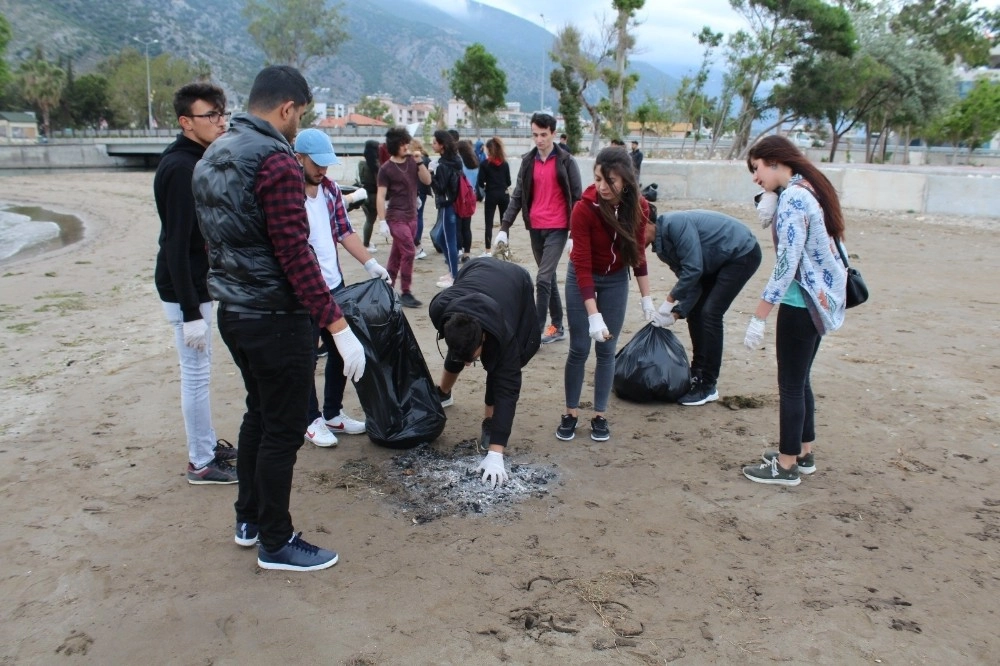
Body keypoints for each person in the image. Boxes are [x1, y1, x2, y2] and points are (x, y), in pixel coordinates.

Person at [193, 65, 366, 571]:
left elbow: (215, 240)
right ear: (287, 109)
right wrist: (337, 326)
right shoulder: (275, 160)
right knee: (285, 429)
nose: (297, 126)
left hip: (235, 314)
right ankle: (276, 540)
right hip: (275, 317)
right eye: (300, 116)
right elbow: (296, 254)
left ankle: (248, 518)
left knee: (259, 415)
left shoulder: (213, 154)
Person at [741, 135, 847, 487]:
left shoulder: (794, 198)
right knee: (800, 381)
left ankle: (785, 466)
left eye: (756, 169)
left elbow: (787, 264)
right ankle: (803, 452)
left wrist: (759, 315)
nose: (755, 178)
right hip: (817, 300)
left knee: (789, 384)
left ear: (774, 161)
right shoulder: (808, 188)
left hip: (799, 301)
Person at [154, 81, 237, 485]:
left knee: (201, 370)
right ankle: (201, 461)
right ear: (186, 122)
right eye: (211, 116)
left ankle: (206, 444)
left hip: (198, 283)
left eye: (222, 114)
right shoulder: (179, 168)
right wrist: (190, 312)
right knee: (196, 374)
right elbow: (174, 241)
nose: (220, 123)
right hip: (183, 288)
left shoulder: (198, 159)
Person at [292, 128, 389, 448]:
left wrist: (371, 263)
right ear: (299, 158)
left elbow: (344, 232)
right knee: (306, 355)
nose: (322, 170)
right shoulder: (289, 193)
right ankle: (310, 419)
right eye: (317, 164)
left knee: (339, 350)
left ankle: (333, 411)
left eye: (326, 164)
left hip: (334, 283)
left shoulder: (331, 190)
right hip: (304, 288)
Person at [558, 147, 654, 442]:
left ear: (625, 180)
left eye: (609, 180)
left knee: (606, 350)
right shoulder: (583, 209)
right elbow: (583, 266)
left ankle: (600, 414)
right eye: (598, 178)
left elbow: (637, 253)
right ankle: (571, 411)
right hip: (581, 279)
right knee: (579, 348)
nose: (601, 186)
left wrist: (646, 298)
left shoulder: (639, 207)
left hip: (615, 280)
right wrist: (593, 315)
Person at [428, 257, 540, 488]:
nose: (470, 365)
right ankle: (443, 392)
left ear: (484, 338)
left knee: (498, 368)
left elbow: (508, 391)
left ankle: (490, 422)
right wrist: (463, 353)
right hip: (476, 268)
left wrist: (497, 453)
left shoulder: (504, 337)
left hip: (516, 282)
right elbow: (459, 340)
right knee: (460, 348)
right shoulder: (440, 309)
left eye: (474, 357)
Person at [643, 210, 762, 406]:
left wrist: (669, 300)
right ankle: (697, 373)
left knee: (711, 314)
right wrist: (676, 313)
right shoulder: (662, 248)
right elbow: (694, 283)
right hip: (714, 262)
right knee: (696, 313)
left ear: (646, 223)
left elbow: (694, 269)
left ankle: (708, 385)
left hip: (741, 253)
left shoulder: (675, 224)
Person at [496, 112, 582, 345]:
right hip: (535, 227)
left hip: (558, 228)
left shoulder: (566, 161)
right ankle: (557, 326)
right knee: (550, 279)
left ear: (553, 133)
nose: (539, 139)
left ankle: (534, 332)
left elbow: (577, 198)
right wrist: (504, 227)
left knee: (542, 280)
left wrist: (574, 233)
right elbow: (517, 196)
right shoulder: (527, 162)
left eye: (543, 135)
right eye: (535, 135)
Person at [376, 126, 432, 308]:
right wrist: (382, 220)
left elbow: (427, 181)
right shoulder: (386, 169)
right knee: (409, 251)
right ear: (394, 145)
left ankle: (387, 288)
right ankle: (406, 292)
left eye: (406, 142)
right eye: (402, 144)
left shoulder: (412, 162)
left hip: (412, 216)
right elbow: (380, 196)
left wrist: (420, 162)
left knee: (397, 254)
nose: (406, 146)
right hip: (396, 218)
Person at [429, 129, 464, 288]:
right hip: (452, 204)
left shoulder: (443, 165)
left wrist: (430, 176)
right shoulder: (454, 160)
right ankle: (452, 271)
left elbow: (440, 188)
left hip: (447, 205)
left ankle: (455, 276)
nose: (432, 144)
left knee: (448, 240)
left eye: (435, 142)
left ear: (442, 145)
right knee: (441, 237)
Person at [476, 136, 511, 257]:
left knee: (489, 223)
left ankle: (488, 250)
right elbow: (509, 182)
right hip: (504, 195)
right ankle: (505, 250)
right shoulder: (505, 164)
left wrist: (487, 185)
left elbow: (480, 181)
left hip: (491, 194)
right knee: (504, 223)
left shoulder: (485, 164)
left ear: (489, 150)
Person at [456, 139, 480, 263]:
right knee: (467, 227)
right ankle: (467, 253)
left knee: (458, 227)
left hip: (460, 196)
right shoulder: (475, 162)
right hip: (471, 196)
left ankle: (459, 251)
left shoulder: (460, 163)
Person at [410, 137, 432, 260]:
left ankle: (416, 242)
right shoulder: (427, 158)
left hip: (415, 190)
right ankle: (417, 240)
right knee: (420, 215)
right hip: (424, 189)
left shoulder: (412, 159)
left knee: (414, 216)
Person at [358, 140, 380, 252]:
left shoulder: (361, 164)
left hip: (364, 195)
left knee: (368, 220)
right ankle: (366, 244)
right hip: (375, 196)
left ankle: (366, 242)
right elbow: (379, 182)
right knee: (371, 220)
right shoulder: (376, 165)